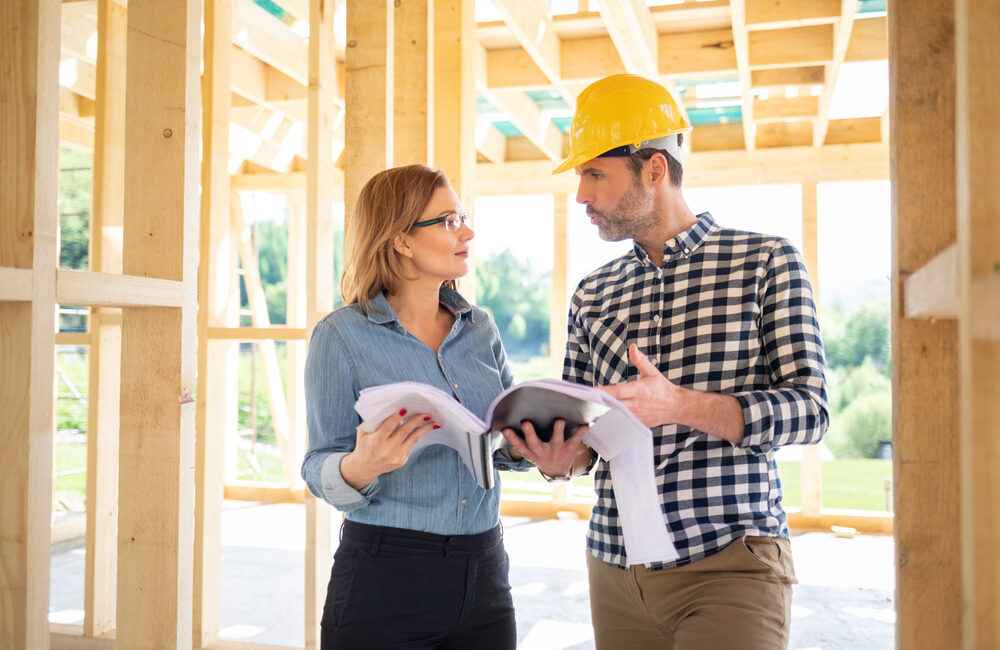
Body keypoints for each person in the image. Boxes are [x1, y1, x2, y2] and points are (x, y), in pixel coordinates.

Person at [552, 74, 830, 649]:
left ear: (654, 169)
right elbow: (579, 434)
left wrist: (679, 406)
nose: (581, 194)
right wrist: (557, 455)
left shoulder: (765, 262)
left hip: (729, 564)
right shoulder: (592, 292)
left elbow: (810, 410)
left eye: (594, 173)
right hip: (615, 566)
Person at [300, 164, 585, 649]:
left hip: (486, 568)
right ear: (401, 241)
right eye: (449, 221)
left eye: (464, 217)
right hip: (385, 574)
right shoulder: (341, 336)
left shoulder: (480, 328)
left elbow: (495, 443)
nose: (467, 231)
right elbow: (316, 466)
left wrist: (527, 446)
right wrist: (360, 466)